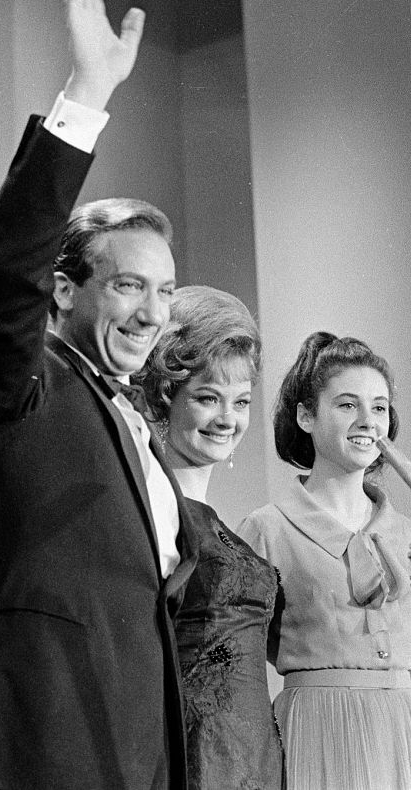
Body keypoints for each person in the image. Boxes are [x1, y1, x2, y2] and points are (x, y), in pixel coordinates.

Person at [0, 0, 196, 790]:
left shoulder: (130, 418)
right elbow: (2, 268)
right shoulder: (19, 382)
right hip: (45, 753)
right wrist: (85, 97)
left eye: (165, 291)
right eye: (128, 285)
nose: (153, 312)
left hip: (141, 750)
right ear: (64, 290)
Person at [238, 331, 411, 790]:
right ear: (306, 415)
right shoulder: (267, 529)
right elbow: (238, 673)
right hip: (316, 735)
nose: (368, 421)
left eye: (379, 408)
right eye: (348, 405)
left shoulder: (407, 533)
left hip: (406, 737)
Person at [134, 285, 283, 790]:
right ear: (164, 395)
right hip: (193, 759)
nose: (227, 419)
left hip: (254, 757)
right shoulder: (154, 511)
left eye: (240, 401)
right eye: (206, 397)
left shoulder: (217, 523)